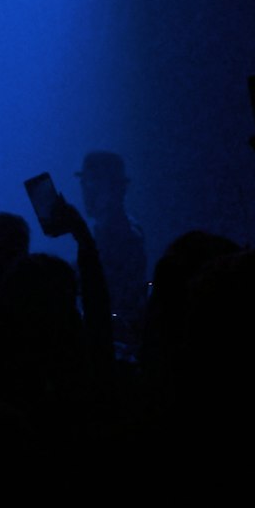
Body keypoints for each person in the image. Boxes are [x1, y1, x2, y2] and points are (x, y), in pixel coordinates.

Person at [75, 149, 149, 355]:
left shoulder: (122, 234)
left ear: (111, 186)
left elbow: (107, 290)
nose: (84, 191)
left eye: (89, 182)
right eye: (84, 183)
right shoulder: (113, 230)